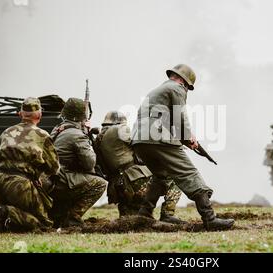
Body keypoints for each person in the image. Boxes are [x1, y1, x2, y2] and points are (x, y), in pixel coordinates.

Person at [131, 64, 235, 230]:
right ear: (184, 82)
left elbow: (164, 118)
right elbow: (180, 115)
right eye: (187, 87)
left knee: (160, 175)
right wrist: (188, 138)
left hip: (139, 140)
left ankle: (144, 214)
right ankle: (210, 218)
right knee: (189, 173)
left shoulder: (158, 90)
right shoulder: (177, 88)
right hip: (156, 137)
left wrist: (186, 138)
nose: (186, 90)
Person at [95, 110, 185, 224]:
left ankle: (127, 212)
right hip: (133, 181)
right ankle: (167, 214)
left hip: (117, 188)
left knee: (132, 222)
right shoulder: (119, 129)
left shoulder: (100, 138)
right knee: (175, 178)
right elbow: (143, 140)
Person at [0, 97, 60, 231]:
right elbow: (54, 167)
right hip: (20, 185)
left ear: (20, 114)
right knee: (45, 226)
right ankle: (8, 212)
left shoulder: (6, 132)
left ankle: (5, 217)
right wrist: (39, 175)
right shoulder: (42, 135)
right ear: (39, 115)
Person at [49, 98, 107, 227]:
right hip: (63, 178)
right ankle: (73, 218)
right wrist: (87, 138)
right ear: (82, 116)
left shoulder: (58, 129)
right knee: (100, 184)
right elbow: (90, 163)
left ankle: (59, 216)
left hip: (53, 177)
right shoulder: (77, 135)